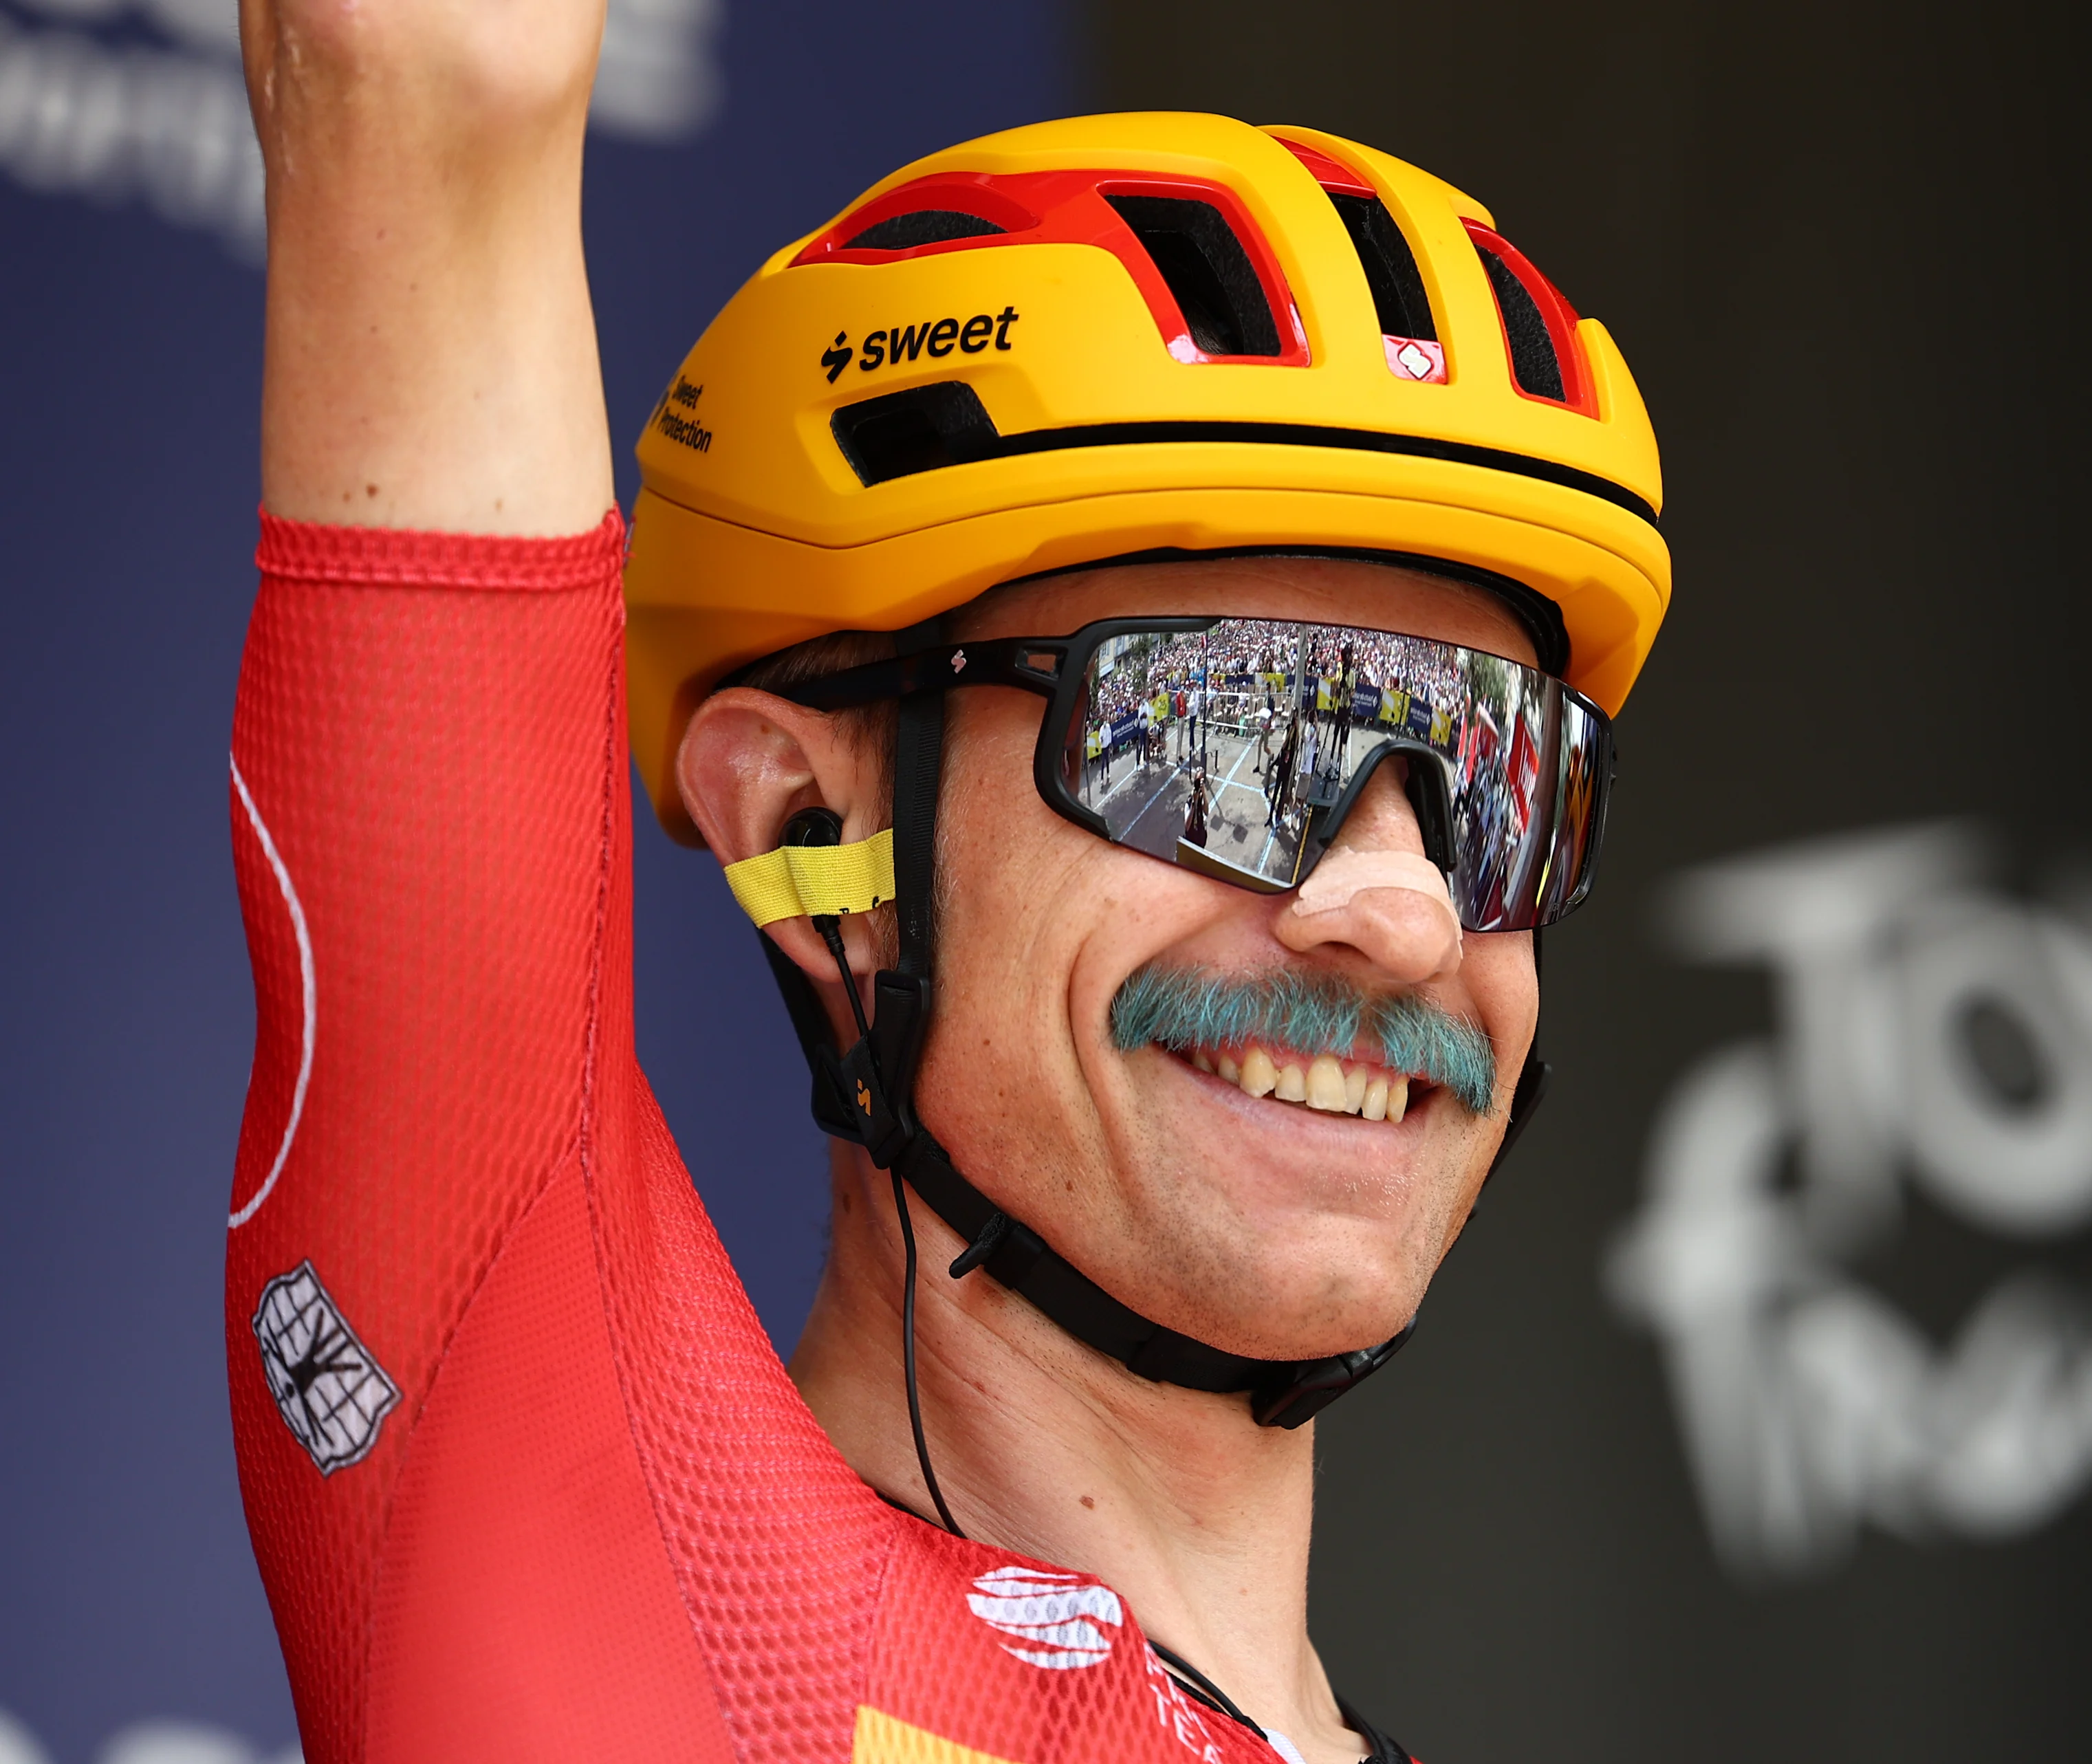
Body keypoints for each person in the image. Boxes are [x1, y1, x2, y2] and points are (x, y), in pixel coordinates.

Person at [221, 5, 1667, 1761]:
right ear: (803, 828)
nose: (1406, 905)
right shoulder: (618, 1575)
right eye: (1212, 734)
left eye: (1493, 779)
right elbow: (423, 76)